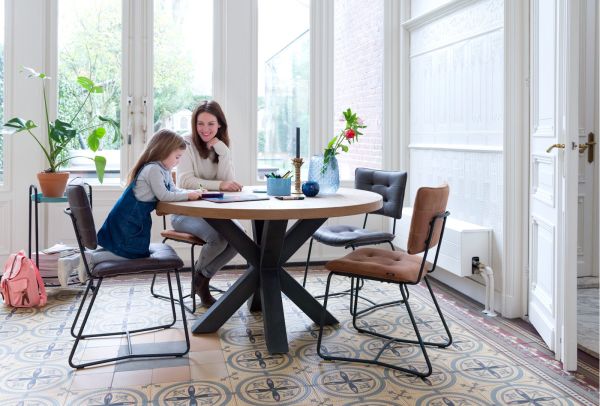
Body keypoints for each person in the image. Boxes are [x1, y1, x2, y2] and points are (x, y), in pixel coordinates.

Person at [172, 100, 243, 308]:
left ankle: (201, 277)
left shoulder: (221, 146)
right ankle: (201, 282)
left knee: (239, 239)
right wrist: (219, 185)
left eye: (211, 124)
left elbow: (227, 183)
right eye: (200, 124)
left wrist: (224, 153)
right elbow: (185, 181)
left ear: (220, 124)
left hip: (214, 213)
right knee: (218, 239)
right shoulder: (185, 143)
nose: (205, 129)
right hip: (185, 213)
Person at [95, 130, 202, 265]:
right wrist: (189, 196)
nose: (178, 162)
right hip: (128, 220)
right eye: (177, 157)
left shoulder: (164, 169)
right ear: (164, 151)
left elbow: (173, 190)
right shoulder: (153, 169)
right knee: (129, 253)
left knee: (125, 251)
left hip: (137, 219)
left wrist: (193, 192)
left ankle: (83, 258)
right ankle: (89, 258)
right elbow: (164, 195)